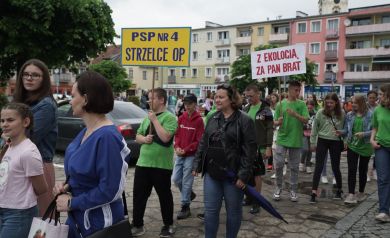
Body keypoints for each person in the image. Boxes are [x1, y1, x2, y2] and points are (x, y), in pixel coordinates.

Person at [53, 71, 130, 237]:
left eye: (73, 96)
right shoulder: (86, 131)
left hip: (99, 223)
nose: (70, 101)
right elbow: (84, 173)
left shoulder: (107, 136)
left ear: (86, 99)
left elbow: (111, 189)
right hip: (79, 220)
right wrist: (67, 185)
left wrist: (72, 202)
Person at [192, 83, 256, 238]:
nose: (217, 100)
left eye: (221, 97)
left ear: (232, 99)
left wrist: (243, 175)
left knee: (233, 212)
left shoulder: (245, 120)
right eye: (216, 97)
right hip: (212, 174)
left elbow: (250, 151)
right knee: (211, 211)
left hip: (233, 176)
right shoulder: (213, 117)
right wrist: (197, 164)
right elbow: (203, 142)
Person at [13, 59, 58, 216]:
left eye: (35, 75)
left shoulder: (46, 105)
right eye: (25, 74)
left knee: (41, 223)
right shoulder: (20, 103)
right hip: (18, 166)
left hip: (38, 167)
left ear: (44, 79)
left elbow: (25, 138)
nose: (29, 78)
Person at [132, 88, 178, 238]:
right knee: (139, 195)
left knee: (164, 196)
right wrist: (144, 139)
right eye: (148, 98)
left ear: (162, 100)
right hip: (143, 163)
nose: (148, 101)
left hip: (161, 165)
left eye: (152, 98)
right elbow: (137, 135)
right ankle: (137, 224)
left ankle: (168, 225)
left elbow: (165, 137)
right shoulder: (147, 118)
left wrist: (155, 120)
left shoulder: (170, 118)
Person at [0, 103, 48, 238]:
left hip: (19, 213)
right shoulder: (10, 146)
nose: (4, 124)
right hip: (3, 209)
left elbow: (41, 188)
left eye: (10, 120)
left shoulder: (28, 152)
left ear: (25, 122)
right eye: (2, 120)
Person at [273, 81, 309, 202]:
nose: (298, 93)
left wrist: (295, 115)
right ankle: (278, 187)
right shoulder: (280, 105)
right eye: (296, 90)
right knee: (278, 164)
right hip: (282, 138)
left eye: (299, 90)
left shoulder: (302, 104)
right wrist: (278, 122)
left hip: (295, 139)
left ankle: (293, 190)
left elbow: (306, 120)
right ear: (289, 90)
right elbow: (274, 122)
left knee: (294, 167)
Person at [172, 94, 204, 219]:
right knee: (175, 179)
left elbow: (199, 140)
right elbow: (177, 135)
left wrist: (186, 149)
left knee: (187, 180)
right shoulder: (181, 117)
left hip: (191, 155)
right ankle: (189, 194)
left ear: (195, 104)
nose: (187, 107)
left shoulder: (199, 120)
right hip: (181, 154)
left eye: (190, 104)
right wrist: (177, 147)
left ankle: (185, 206)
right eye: (185, 104)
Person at [310, 93, 346, 203]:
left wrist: (345, 140)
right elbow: (315, 128)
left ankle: (339, 189)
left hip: (335, 141)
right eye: (327, 102)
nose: (329, 104)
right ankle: (314, 191)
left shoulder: (342, 113)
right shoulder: (320, 113)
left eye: (331, 103)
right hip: (322, 140)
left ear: (336, 103)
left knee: (335, 166)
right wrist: (312, 142)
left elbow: (345, 129)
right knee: (319, 166)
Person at [243, 84, 273, 214]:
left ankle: (257, 201)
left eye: (251, 96)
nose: (249, 98)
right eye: (247, 96)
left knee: (257, 175)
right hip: (246, 148)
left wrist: (268, 147)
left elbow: (269, 129)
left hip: (260, 147)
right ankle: (249, 197)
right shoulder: (246, 108)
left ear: (258, 94)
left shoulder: (265, 109)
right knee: (247, 174)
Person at [340, 95, 372, 204]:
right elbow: (346, 130)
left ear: (362, 103)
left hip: (365, 146)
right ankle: (351, 194)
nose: (352, 104)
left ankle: (361, 193)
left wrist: (364, 134)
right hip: (352, 145)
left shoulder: (371, 115)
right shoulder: (349, 115)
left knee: (363, 170)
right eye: (352, 102)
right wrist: (341, 133)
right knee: (351, 170)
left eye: (355, 102)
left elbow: (375, 131)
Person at [370, 84, 390, 222]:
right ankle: (384, 211)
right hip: (381, 146)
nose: (379, 97)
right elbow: (375, 127)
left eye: (382, 94)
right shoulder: (378, 110)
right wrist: (372, 139)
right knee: (383, 179)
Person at [300, 99, 316, 174]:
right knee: (305, 149)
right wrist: (306, 126)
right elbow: (301, 123)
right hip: (303, 133)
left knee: (310, 150)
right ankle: (302, 162)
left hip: (312, 134)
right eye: (308, 108)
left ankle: (308, 165)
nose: (309, 109)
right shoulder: (303, 113)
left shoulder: (315, 114)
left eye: (310, 108)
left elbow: (316, 124)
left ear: (313, 107)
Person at [366, 90, 378, 182]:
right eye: (370, 97)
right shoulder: (364, 107)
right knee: (366, 154)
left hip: (376, 133)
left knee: (375, 155)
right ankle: (366, 173)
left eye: (374, 97)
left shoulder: (378, 107)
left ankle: (374, 171)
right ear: (367, 97)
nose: (372, 99)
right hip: (366, 132)